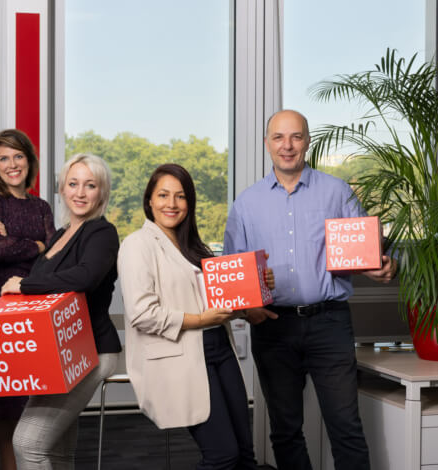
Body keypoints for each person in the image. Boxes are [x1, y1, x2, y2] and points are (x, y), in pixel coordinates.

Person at [223, 109, 397, 470]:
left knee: (345, 427)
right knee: (285, 431)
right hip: (272, 327)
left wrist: (384, 267)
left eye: (296, 137)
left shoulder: (337, 192)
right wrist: (247, 309)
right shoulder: (246, 204)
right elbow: (233, 276)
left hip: (329, 324)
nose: (287, 146)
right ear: (267, 143)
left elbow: (368, 253)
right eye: (279, 137)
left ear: (307, 141)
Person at [119, 163, 271, 469]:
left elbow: (214, 300)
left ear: (190, 202)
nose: (171, 204)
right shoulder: (138, 244)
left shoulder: (194, 246)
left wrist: (255, 291)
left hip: (219, 350)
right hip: (184, 355)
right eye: (163, 195)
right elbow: (142, 314)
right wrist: (202, 320)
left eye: (180, 196)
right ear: (149, 200)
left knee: (244, 454)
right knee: (222, 455)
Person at [0, 153, 122, 469]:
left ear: (102, 192)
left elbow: (85, 277)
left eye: (90, 185)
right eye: (73, 184)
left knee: (27, 443)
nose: (80, 193)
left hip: (89, 351)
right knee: (55, 451)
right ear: (62, 189)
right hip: (60, 352)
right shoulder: (60, 234)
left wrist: (24, 285)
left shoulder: (101, 232)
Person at [0, 129, 55, 470]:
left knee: (35, 402)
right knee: (8, 407)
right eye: (4, 158)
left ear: (29, 161)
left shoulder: (41, 205)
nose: (12, 164)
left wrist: (24, 243)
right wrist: (35, 245)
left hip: (33, 309)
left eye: (18, 156)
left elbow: (52, 258)